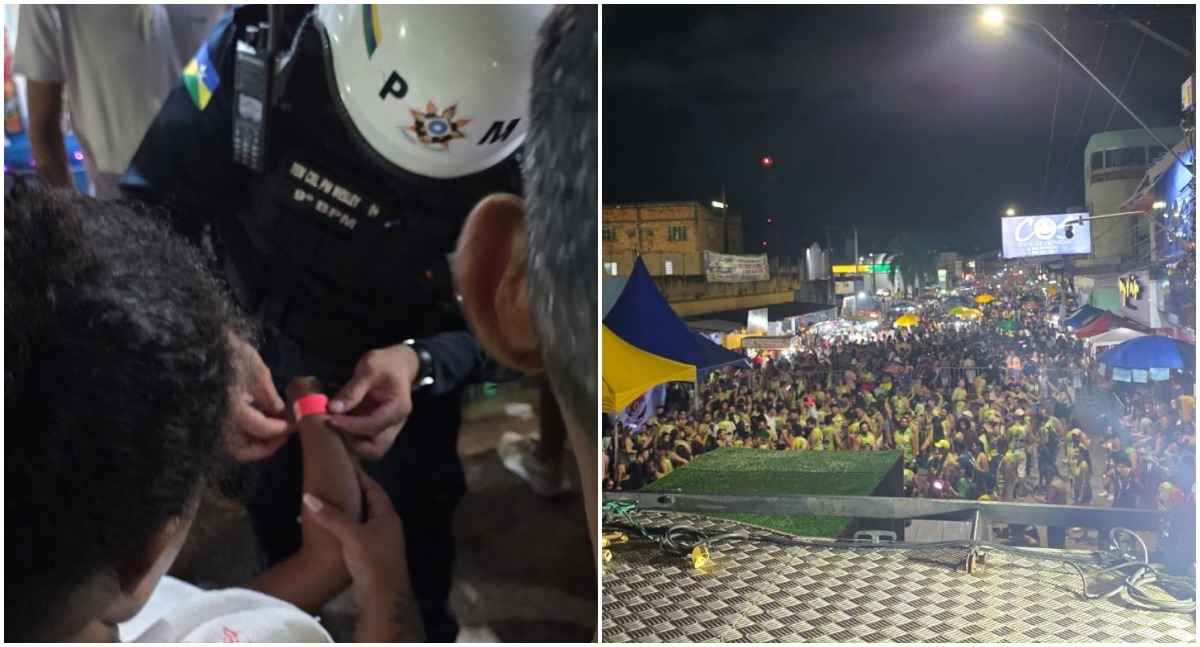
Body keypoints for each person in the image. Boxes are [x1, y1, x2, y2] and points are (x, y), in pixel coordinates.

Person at [119, 6, 553, 640]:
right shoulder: (263, 48)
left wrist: (423, 360)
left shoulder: (550, 145)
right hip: (253, 362)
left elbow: (531, 335)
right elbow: (144, 219)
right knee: (278, 537)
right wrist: (207, 343)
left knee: (413, 555)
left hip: (407, 405)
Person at [5, 186, 416, 642]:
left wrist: (192, 353)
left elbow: (325, 563)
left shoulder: (76, 609)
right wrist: (390, 595)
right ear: (141, 556)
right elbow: (330, 557)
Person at [12, 5, 225, 197]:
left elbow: (220, 61)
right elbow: (44, 129)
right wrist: (66, 220)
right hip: (118, 197)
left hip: (212, 184)